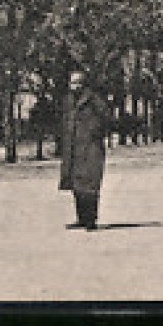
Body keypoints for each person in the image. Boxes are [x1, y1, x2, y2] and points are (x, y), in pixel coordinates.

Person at [59, 70, 109, 230]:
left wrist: (95, 132)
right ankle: (81, 218)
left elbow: (106, 118)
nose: (74, 86)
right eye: (72, 82)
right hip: (73, 148)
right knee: (76, 185)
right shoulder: (68, 101)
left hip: (90, 148)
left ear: (83, 83)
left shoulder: (94, 99)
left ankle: (91, 220)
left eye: (77, 82)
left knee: (90, 185)